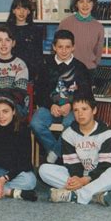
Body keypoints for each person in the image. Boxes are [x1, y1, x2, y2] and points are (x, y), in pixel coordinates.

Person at [39, 96, 111, 206]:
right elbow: (72, 165)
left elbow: (106, 165)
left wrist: (85, 180)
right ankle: (94, 194)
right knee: (44, 170)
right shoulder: (68, 134)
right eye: (76, 110)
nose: (80, 114)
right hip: (79, 176)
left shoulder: (107, 133)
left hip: (101, 175)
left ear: (94, 110)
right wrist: (77, 179)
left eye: (84, 109)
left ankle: (76, 195)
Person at [30, 30, 92, 164]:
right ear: (54, 47)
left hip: (73, 108)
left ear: (73, 47)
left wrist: (71, 104)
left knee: (70, 123)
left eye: (68, 47)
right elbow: (39, 92)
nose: (64, 51)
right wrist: (50, 105)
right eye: (60, 47)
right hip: (50, 107)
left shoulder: (80, 68)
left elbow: (86, 94)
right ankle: (58, 154)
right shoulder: (45, 66)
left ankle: (54, 155)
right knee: (36, 123)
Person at [58, 0, 104, 78]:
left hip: (89, 71)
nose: (85, 5)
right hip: (67, 70)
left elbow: (98, 53)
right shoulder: (65, 23)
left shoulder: (99, 27)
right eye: (81, 1)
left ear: (93, 4)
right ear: (76, 4)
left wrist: (91, 65)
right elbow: (57, 47)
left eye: (88, 1)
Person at [6, 0, 43, 81]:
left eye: (25, 9)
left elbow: (39, 56)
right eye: (18, 8)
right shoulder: (7, 30)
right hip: (9, 71)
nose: (21, 12)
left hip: (30, 72)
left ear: (29, 11)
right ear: (13, 11)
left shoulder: (35, 30)